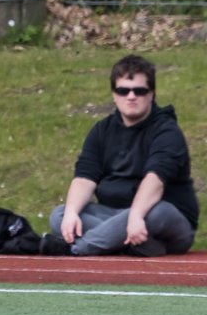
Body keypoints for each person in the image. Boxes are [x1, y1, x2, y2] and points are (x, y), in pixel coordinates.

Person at [42, 54, 197, 257]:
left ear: (152, 94)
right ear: (114, 95)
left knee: (157, 211)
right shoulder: (101, 130)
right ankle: (133, 244)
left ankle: (77, 249)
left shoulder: (167, 131)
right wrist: (71, 214)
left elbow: (155, 180)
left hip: (161, 217)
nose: (131, 96)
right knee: (60, 214)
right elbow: (85, 177)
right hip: (113, 215)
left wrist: (136, 216)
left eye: (139, 91)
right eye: (123, 90)